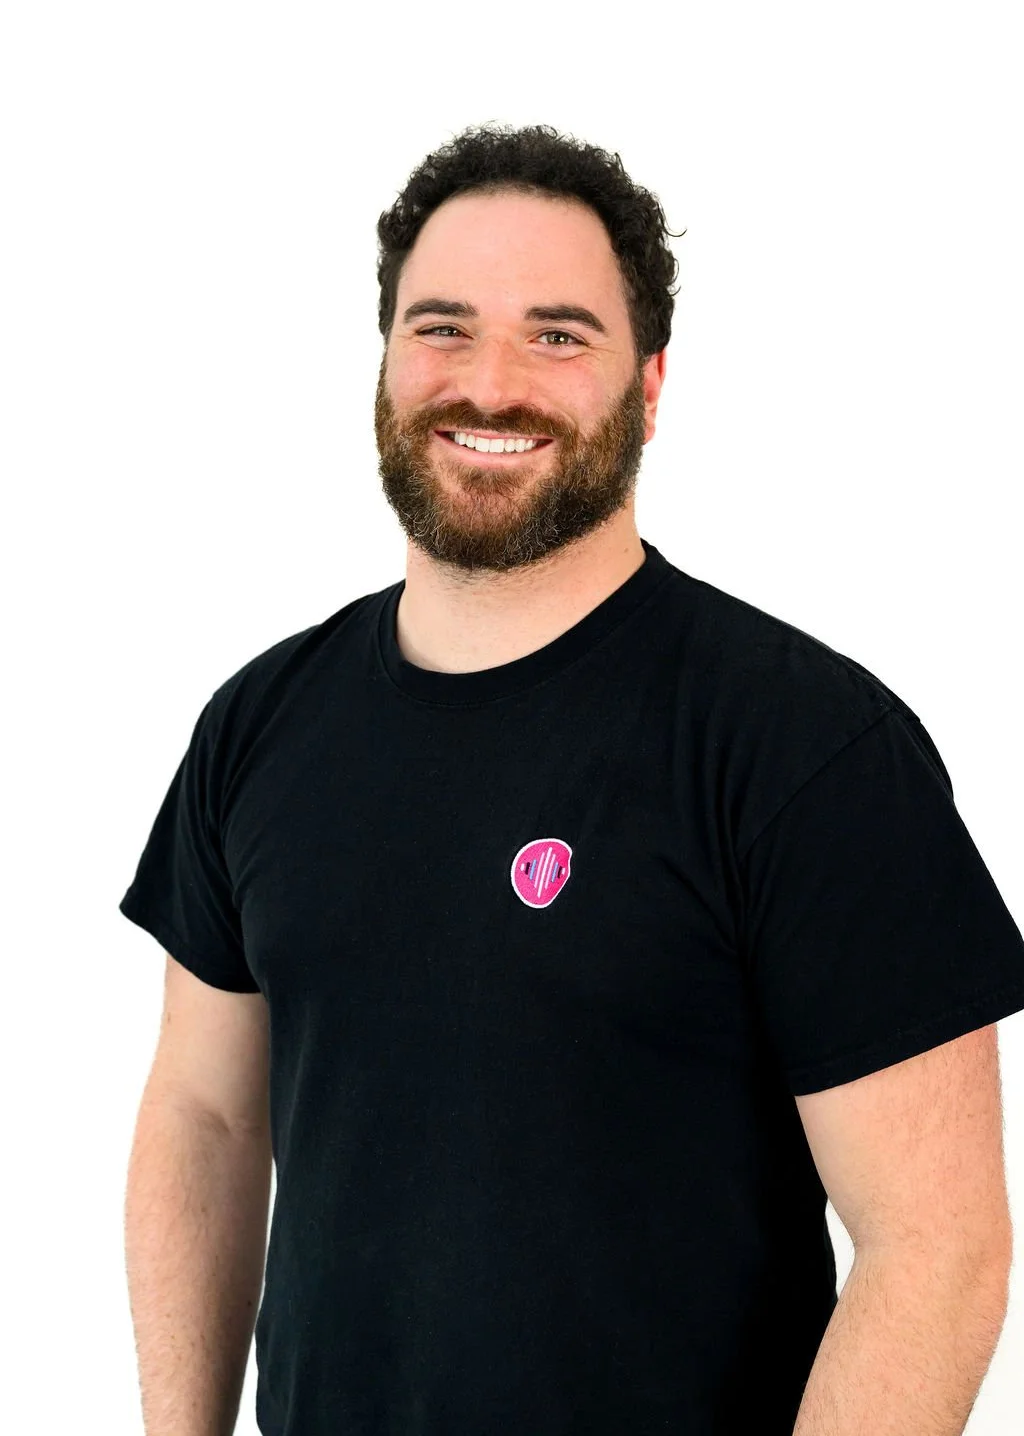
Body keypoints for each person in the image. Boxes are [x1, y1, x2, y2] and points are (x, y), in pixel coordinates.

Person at [120, 124, 1024, 1436]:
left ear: (650, 387)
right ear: (385, 360)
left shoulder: (804, 747)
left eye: (558, 335)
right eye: (442, 327)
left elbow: (939, 1250)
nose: (491, 385)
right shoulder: (259, 726)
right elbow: (204, 1118)